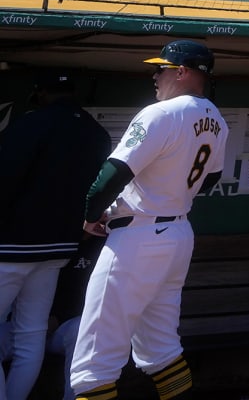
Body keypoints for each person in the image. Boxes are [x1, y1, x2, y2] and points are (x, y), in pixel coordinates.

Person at [71, 40, 228, 400]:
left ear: (182, 72)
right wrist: (173, 192)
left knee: (93, 362)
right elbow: (212, 179)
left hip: (138, 237)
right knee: (160, 349)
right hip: (177, 234)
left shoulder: (160, 113)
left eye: (161, 68)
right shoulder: (216, 119)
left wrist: (91, 216)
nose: (154, 76)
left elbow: (112, 175)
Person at [0, 72, 110, 400]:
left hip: (11, 246)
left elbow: (5, 178)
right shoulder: (96, 132)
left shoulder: (31, 123)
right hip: (59, 248)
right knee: (30, 336)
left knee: (26, 336)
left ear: (40, 93)